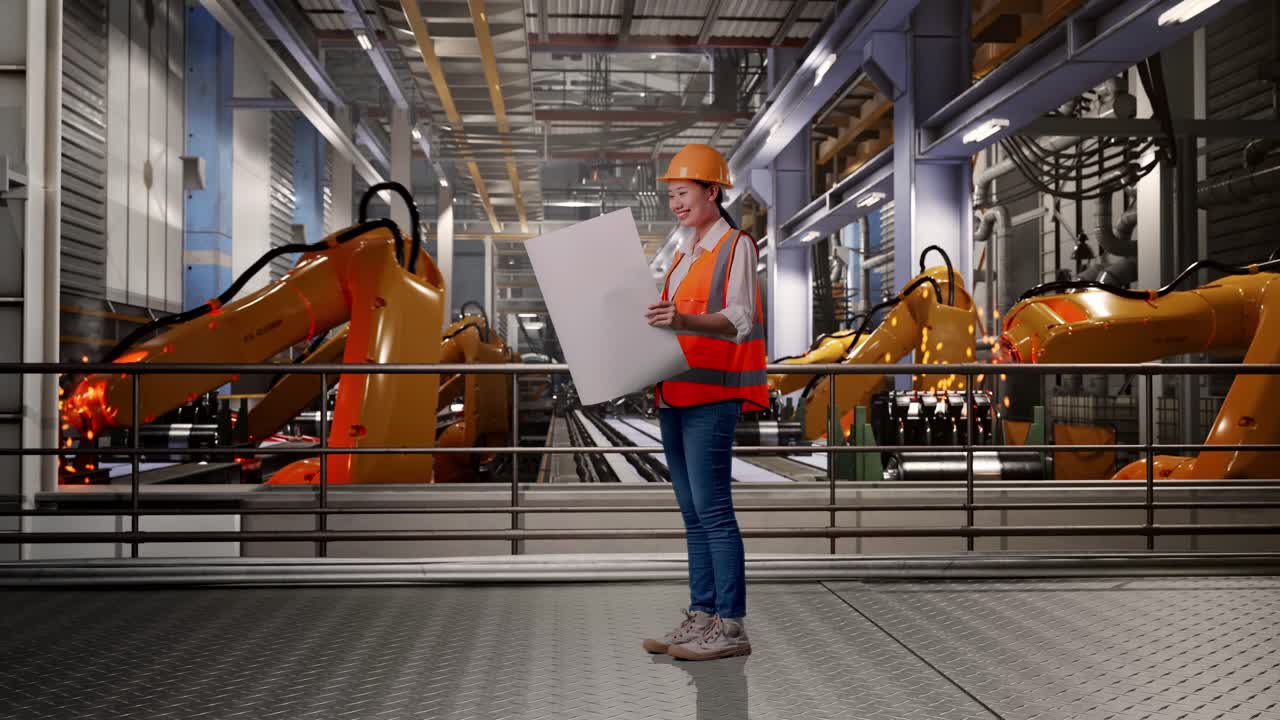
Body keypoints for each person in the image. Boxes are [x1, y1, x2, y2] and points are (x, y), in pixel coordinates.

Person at [641, 144, 768, 662]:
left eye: (683, 192)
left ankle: (730, 626)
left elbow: (739, 319)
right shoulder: (683, 254)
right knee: (692, 514)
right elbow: (671, 323)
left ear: (712, 191)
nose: (675, 202)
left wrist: (682, 321)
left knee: (714, 511)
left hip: (712, 396)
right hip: (675, 392)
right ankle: (701, 616)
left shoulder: (736, 245)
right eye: (671, 194)